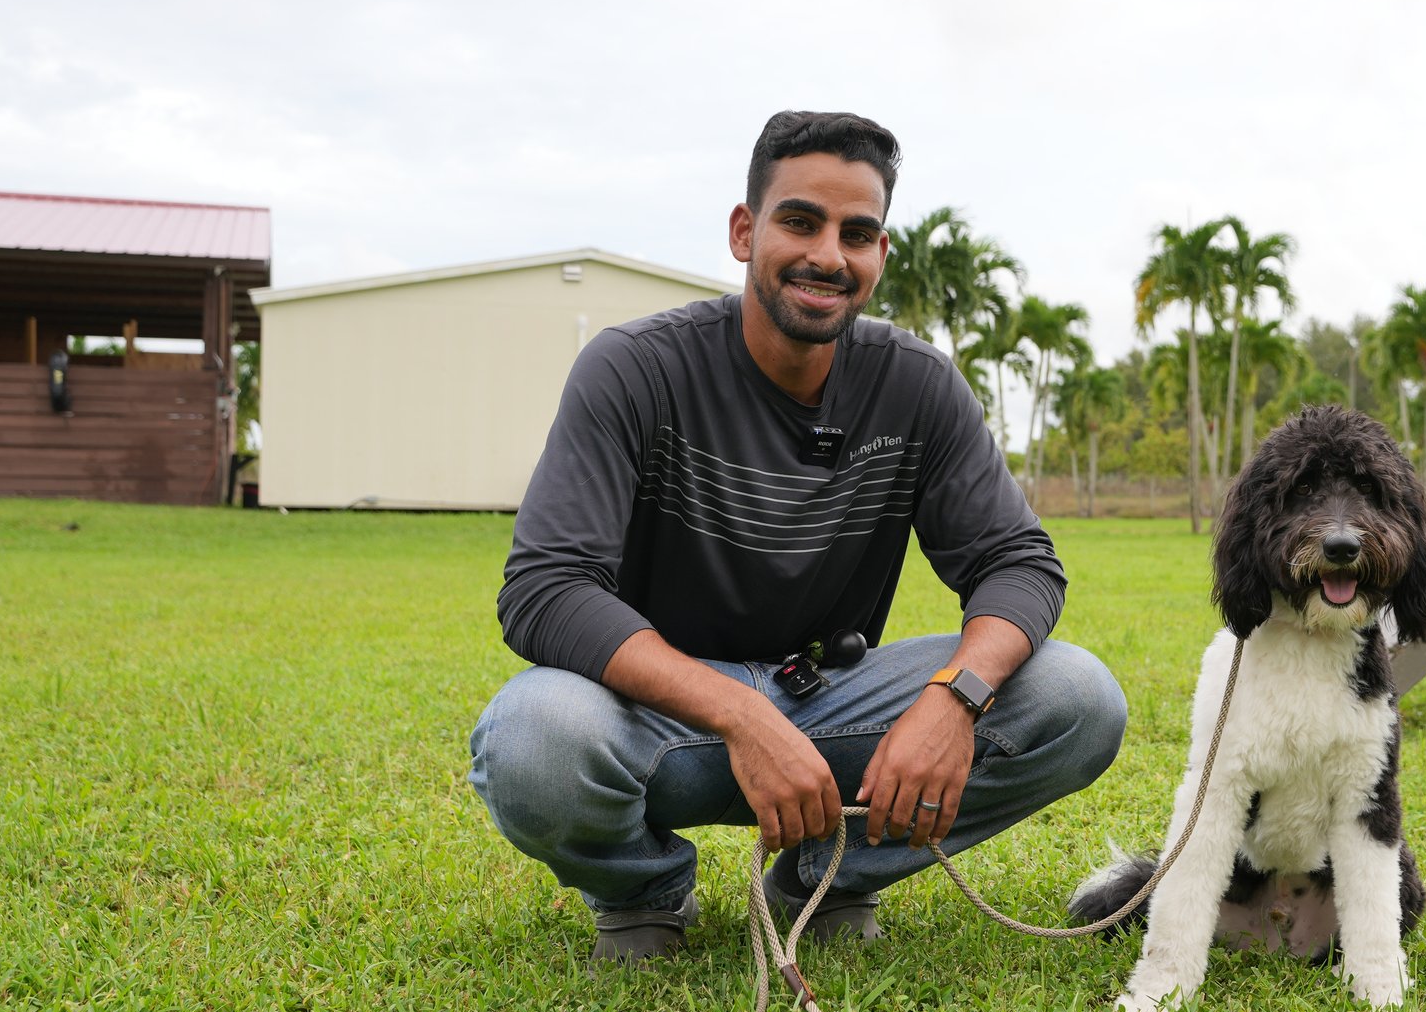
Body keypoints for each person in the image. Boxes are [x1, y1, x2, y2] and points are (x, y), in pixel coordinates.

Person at [469, 110, 1128, 964]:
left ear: (880, 257)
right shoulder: (634, 369)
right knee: (530, 736)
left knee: (1078, 696)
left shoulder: (916, 386)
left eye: (858, 232)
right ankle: (642, 892)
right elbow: (545, 588)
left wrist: (951, 697)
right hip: (660, 714)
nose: (828, 253)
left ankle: (824, 878)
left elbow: (1017, 562)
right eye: (800, 220)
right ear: (745, 232)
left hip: (832, 699)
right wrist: (740, 713)